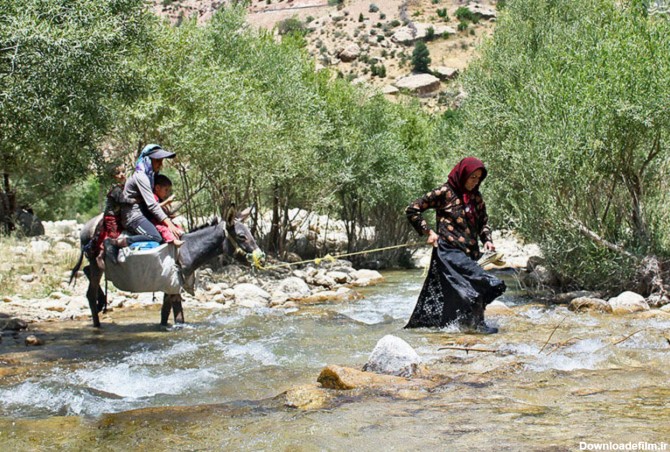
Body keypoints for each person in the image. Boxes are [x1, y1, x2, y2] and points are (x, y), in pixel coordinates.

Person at [404, 156, 506, 334]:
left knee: (461, 291)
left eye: (478, 179)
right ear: (463, 174)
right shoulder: (444, 192)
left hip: (470, 252)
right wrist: (428, 231)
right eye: (472, 177)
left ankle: (467, 326)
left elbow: (483, 223)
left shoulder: (476, 197)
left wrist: (487, 240)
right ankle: (476, 328)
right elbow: (412, 209)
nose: (475, 182)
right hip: (448, 251)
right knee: (481, 281)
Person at [105, 144, 183, 263]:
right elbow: (152, 205)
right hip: (133, 216)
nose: (160, 164)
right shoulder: (141, 177)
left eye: (161, 161)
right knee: (155, 237)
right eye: (157, 161)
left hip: (143, 213)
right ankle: (115, 243)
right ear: (148, 160)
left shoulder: (150, 175)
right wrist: (169, 224)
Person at [95, 164, 133, 269]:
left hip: (117, 216)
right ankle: (101, 255)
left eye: (123, 172)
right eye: (117, 173)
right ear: (113, 177)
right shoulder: (116, 189)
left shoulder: (122, 187)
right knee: (113, 235)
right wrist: (135, 201)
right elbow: (123, 201)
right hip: (112, 217)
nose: (121, 175)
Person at [152, 174, 184, 246]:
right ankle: (173, 240)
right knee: (164, 230)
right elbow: (154, 208)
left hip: (162, 222)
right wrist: (166, 202)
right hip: (155, 223)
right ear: (157, 188)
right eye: (166, 190)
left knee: (177, 226)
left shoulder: (160, 199)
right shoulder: (153, 197)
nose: (167, 193)